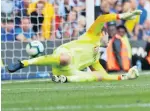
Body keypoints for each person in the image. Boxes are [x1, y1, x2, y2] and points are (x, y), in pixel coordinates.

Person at [7, 10, 142, 83]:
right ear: (102, 34)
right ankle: (23, 63)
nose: (110, 38)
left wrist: (124, 77)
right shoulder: (92, 36)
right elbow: (102, 19)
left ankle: (66, 80)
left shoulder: (95, 58)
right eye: (108, 35)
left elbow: (104, 75)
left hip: (67, 73)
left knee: (97, 76)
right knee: (66, 58)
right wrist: (121, 16)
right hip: (63, 55)